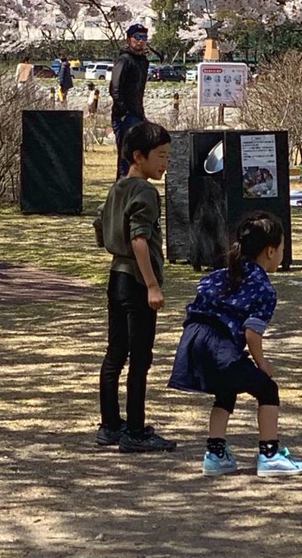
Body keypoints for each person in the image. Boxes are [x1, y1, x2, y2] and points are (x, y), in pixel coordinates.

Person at [168, 212, 302, 477]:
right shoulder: (264, 289)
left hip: (192, 342)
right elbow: (252, 333)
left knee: (226, 389)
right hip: (220, 346)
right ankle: (269, 454)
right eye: (282, 249)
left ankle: (215, 454)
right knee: (267, 389)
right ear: (270, 251)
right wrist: (262, 363)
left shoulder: (219, 275)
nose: (281, 254)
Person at [95, 120, 175, 453]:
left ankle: (110, 425)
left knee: (115, 353)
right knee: (140, 358)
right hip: (137, 279)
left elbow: (100, 229)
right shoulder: (144, 191)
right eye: (159, 156)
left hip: (116, 277)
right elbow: (140, 239)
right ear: (138, 157)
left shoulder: (117, 188)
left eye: (168, 156)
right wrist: (152, 286)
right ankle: (136, 431)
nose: (164, 164)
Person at [109, 23, 151, 178]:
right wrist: (123, 112)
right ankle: (121, 191)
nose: (140, 41)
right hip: (124, 115)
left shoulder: (143, 61)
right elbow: (114, 88)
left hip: (137, 114)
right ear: (128, 40)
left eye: (144, 37)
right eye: (137, 37)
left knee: (137, 155)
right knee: (126, 155)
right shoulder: (124, 60)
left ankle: (132, 189)